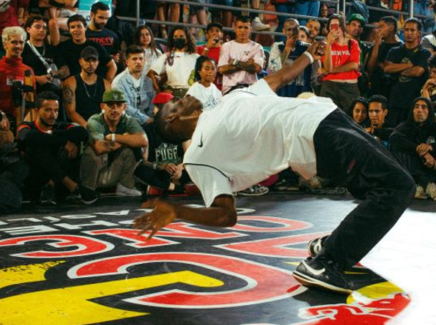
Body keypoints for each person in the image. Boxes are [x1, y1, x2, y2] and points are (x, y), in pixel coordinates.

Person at [133, 40, 415, 295]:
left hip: (327, 114)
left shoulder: (224, 101)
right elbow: (225, 213)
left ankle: (331, 245)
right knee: (396, 187)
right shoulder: (196, 155)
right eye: (178, 102)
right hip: (313, 138)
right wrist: (178, 210)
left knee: (390, 182)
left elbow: (278, 79)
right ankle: (323, 262)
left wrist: (308, 55)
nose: (187, 97)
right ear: (171, 120)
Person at [17, 91, 91, 205]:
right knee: (35, 145)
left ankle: (53, 185)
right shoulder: (26, 126)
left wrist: (51, 133)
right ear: (37, 111)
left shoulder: (60, 126)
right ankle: (73, 186)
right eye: (48, 110)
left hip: (59, 187)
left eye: (56, 110)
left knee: (72, 141)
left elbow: (82, 133)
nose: (53, 115)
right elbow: (26, 135)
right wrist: (63, 141)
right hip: (35, 183)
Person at [80, 88, 148, 202]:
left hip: (111, 174)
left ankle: (125, 186)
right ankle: (88, 189)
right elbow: (99, 148)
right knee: (91, 151)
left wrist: (115, 137)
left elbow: (143, 140)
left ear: (124, 107)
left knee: (135, 148)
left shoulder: (128, 120)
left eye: (119, 105)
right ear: (102, 106)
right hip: (95, 173)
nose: (115, 109)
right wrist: (127, 138)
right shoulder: (95, 120)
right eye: (110, 105)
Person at [390, 97, 436, 200]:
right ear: (412, 110)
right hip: (413, 170)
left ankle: (421, 186)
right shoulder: (406, 126)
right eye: (416, 107)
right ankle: (425, 185)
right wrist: (419, 150)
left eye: (424, 107)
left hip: (434, 169)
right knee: (399, 150)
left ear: (429, 112)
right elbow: (394, 138)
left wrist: (431, 147)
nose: (419, 110)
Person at [384, 18, 431, 126]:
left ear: (419, 33)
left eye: (412, 30)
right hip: (395, 102)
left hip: (414, 103)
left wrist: (396, 69)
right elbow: (387, 69)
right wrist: (408, 65)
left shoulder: (424, 53)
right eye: (406, 30)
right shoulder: (394, 51)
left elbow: (417, 72)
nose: (409, 33)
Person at [56, 14, 117, 81]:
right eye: (72, 27)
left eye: (79, 26)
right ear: (69, 30)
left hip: (93, 84)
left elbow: (112, 66)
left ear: (85, 28)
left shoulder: (96, 46)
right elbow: (64, 71)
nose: (76, 30)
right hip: (71, 85)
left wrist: (106, 85)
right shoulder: (63, 47)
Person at [319, 14, 361, 111]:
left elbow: (354, 65)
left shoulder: (352, 43)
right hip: (329, 86)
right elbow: (328, 66)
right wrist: (329, 44)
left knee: (350, 119)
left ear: (342, 27)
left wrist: (330, 71)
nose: (335, 29)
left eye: (337, 25)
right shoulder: (325, 44)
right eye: (332, 26)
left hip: (349, 87)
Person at [62, 46, 111, 127]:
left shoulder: (106, 84)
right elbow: (70, 112)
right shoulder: (70, 82)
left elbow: (107, 110)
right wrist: (87, 126)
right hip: (78, 125)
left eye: (94, 61)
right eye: (87, 60)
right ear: (80, 61)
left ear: (98, 62)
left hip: (100, 125)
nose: (91, 64)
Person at [22, 14, 68, 97]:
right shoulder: (22, 49)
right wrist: (36, 79)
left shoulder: (52, 49)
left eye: (44, 28)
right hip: (30, 92)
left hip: (51, 92)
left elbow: (66, 70)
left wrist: (55, 73)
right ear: (28, 29)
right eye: (37, 27)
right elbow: (15, 73)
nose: (41, 30)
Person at [217, 16, 265, 94]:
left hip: (251, 89)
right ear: (235, 28)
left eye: (246, 27)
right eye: (240, 27)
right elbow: (222, 69)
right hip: (230, 89)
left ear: (251, 29)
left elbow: (256, 69)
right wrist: (247, 64)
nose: (242, 30)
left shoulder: (257, 47)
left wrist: (235, 62)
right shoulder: (226, 46)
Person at [0, 26, 35, 127]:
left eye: (21, 42)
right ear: (5, 44)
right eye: (14, 42)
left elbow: (31, 101)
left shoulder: (28, 71)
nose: (18, 46)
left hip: (22, 122)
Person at [111, 45, 156, 125]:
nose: (138, 62)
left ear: (144, 61)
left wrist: (150, 119)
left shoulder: (148, 81)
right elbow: (124, 107)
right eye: (134, 59)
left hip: (147, 121)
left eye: (141, 59)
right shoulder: (119, 82)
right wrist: (146, 119)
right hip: (126, 123)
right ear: (127, 62)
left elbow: (152, 103)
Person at [149, 27, 199, 98]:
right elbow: (150, 73)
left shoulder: (196, 57)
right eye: (175, 37)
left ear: (187, 39)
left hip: (190, 95)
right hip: (171, 94)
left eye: (181, 36)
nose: (178, 38)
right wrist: (159, 91)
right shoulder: (167, 56)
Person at [267, 18, 310, 97]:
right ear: (283, 31)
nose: (292, 32)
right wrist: (287, 49)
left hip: (302, 90)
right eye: (289, 29)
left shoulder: (307, 47)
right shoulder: (277, 46)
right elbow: (274, 67)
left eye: (295, 29)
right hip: (283, 90)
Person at [367, 15, 402, 98]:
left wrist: (381, 65)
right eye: (378, 27)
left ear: (391, 28)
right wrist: (376, 44)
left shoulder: (401, 47)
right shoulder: (377, 45)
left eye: (382, 26)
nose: (379, 30)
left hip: (394, 90)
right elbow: (370, 67)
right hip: (377, 88)